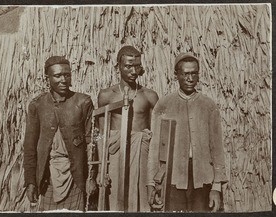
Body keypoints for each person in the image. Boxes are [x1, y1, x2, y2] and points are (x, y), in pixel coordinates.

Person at [147, 53, 228, 212]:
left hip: (203, 178)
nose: (190, 78)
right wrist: (151, 183)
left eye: (194, 73)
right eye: (185, 74)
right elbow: (155, 148)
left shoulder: (208, 105)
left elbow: (217, 149)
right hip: (173, 178)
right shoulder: (164, 105)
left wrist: (216, 187)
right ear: (176, 75)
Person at [23, 56, 94, 211]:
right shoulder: (37, 105)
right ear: (47, 77)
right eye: (57, 75)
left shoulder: (83, 102)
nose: (63, 79)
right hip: (48, 177)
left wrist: (91, 177)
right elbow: (30, 147)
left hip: (76, 176)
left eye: (67, 75)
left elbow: (91, 142)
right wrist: (30, 182)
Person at [97, 45, 159, 211]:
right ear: (118, 66)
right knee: (116, 200)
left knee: (143, 200)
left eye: (137, 66)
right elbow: (101, 134)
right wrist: (101, 168)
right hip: (116, 156)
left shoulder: (150, 96)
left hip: (142, 156)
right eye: (128, 66)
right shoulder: (106, 95)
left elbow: (156, 136)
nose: (133, 71)